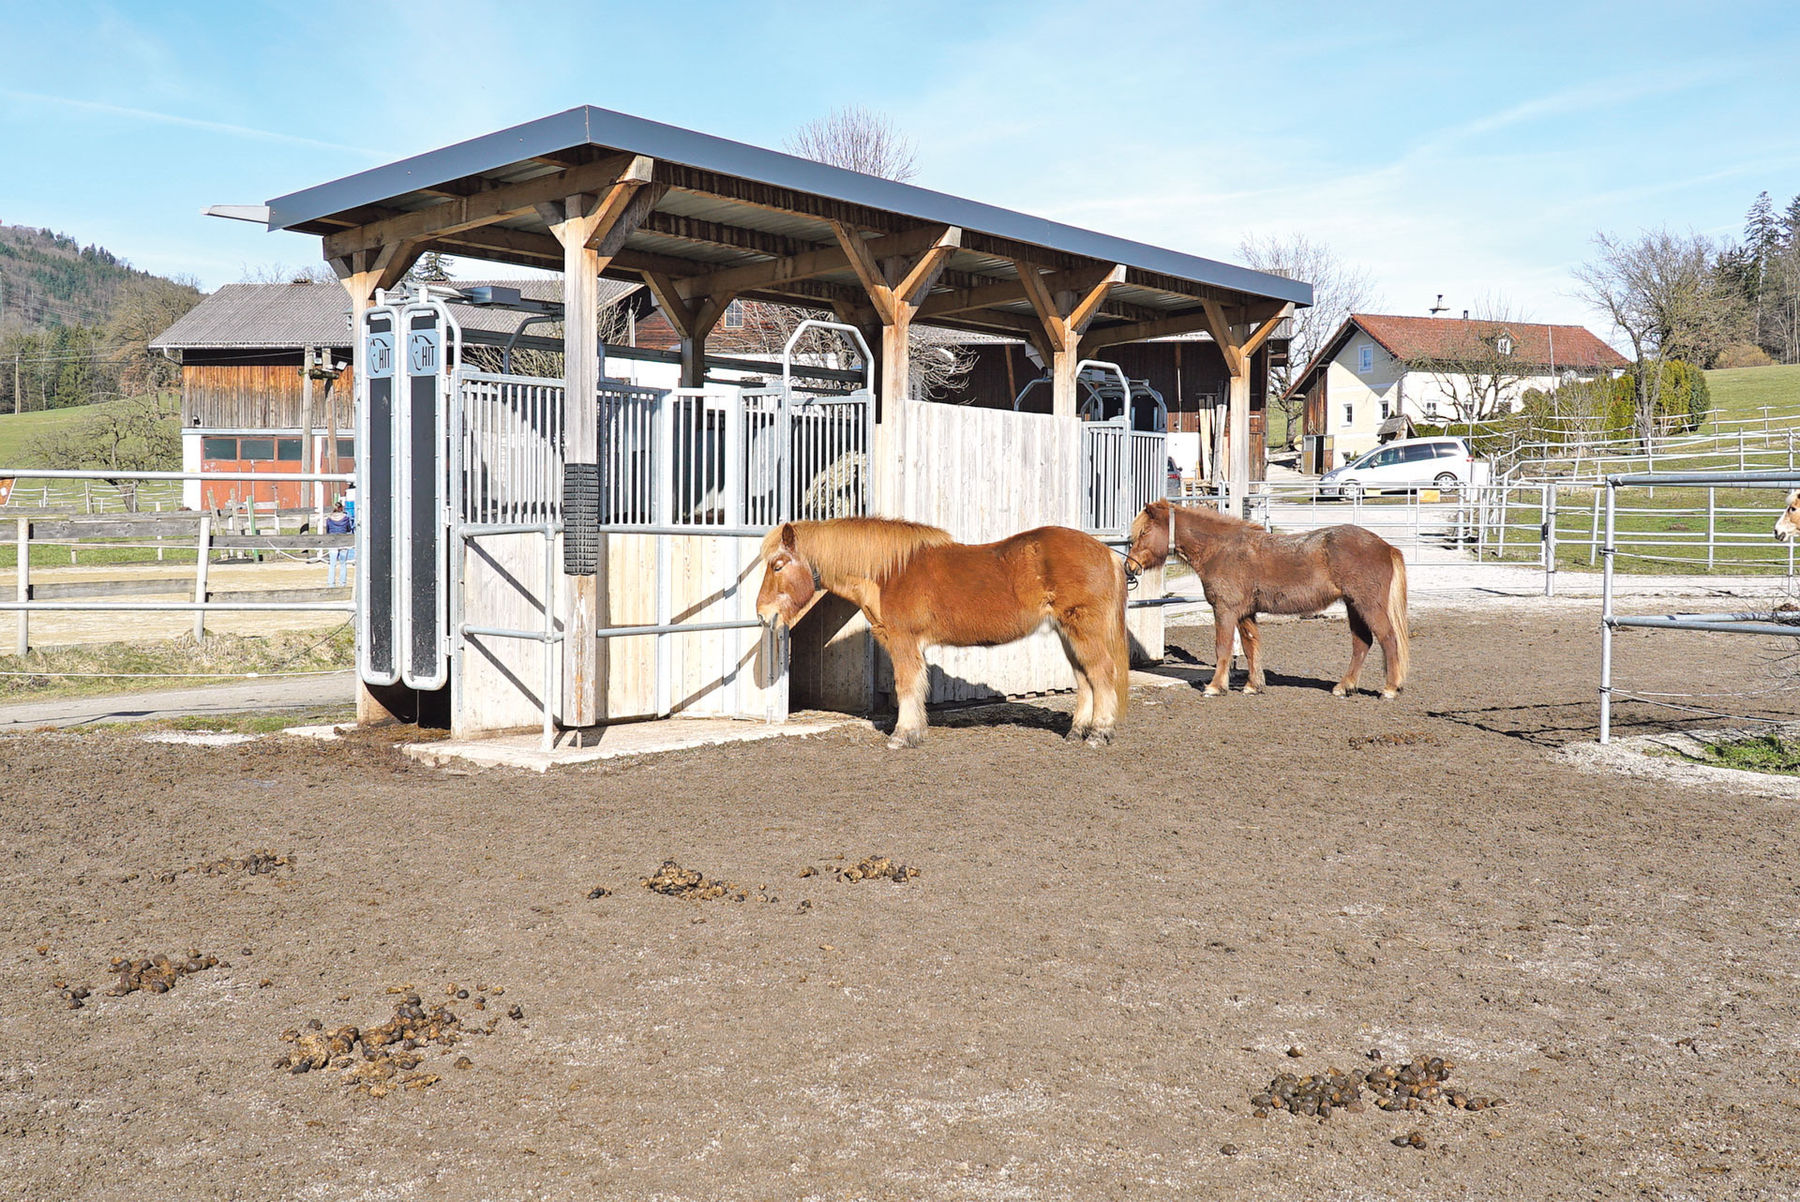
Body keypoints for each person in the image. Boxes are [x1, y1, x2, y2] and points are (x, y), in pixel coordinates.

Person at [325, 499, 355, 587]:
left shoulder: (329, 519)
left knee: (332, 564)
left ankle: (331, 583)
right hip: (343, 542)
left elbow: (328, 530)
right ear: (341, 508)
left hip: (333, 542)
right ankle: (343, 583)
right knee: (343, 563)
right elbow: (349, 529)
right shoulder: (345, 518)